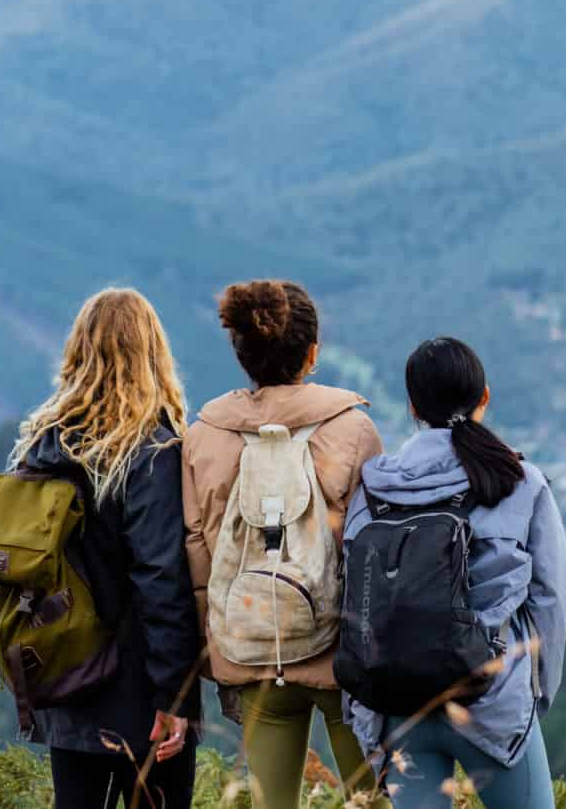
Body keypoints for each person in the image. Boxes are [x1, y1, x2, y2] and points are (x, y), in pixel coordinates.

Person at [347, 336, 566, 809]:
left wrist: (363, 708)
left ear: (413, 406)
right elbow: (555, 600)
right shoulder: (517, 481)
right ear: (485, 397)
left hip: (398, 706)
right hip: (492, 698)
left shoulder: (374, 487)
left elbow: (350, 593)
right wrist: (536, 695)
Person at [182, 280, 384, 808]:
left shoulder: (203, 436)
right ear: (312, 353)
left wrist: (214, 646)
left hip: (247, 644)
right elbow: (373, 551)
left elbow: (197, 548)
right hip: (339, 653)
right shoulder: (353, 429)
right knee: (375, 801)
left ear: (242, 353)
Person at [11, 288, 204, 809]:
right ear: (152, 354)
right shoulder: (152, 451)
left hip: (65, 679)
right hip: (137, 693)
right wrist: (174, 696)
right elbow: (160, 577)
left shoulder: (42, 446)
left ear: (79, 353)